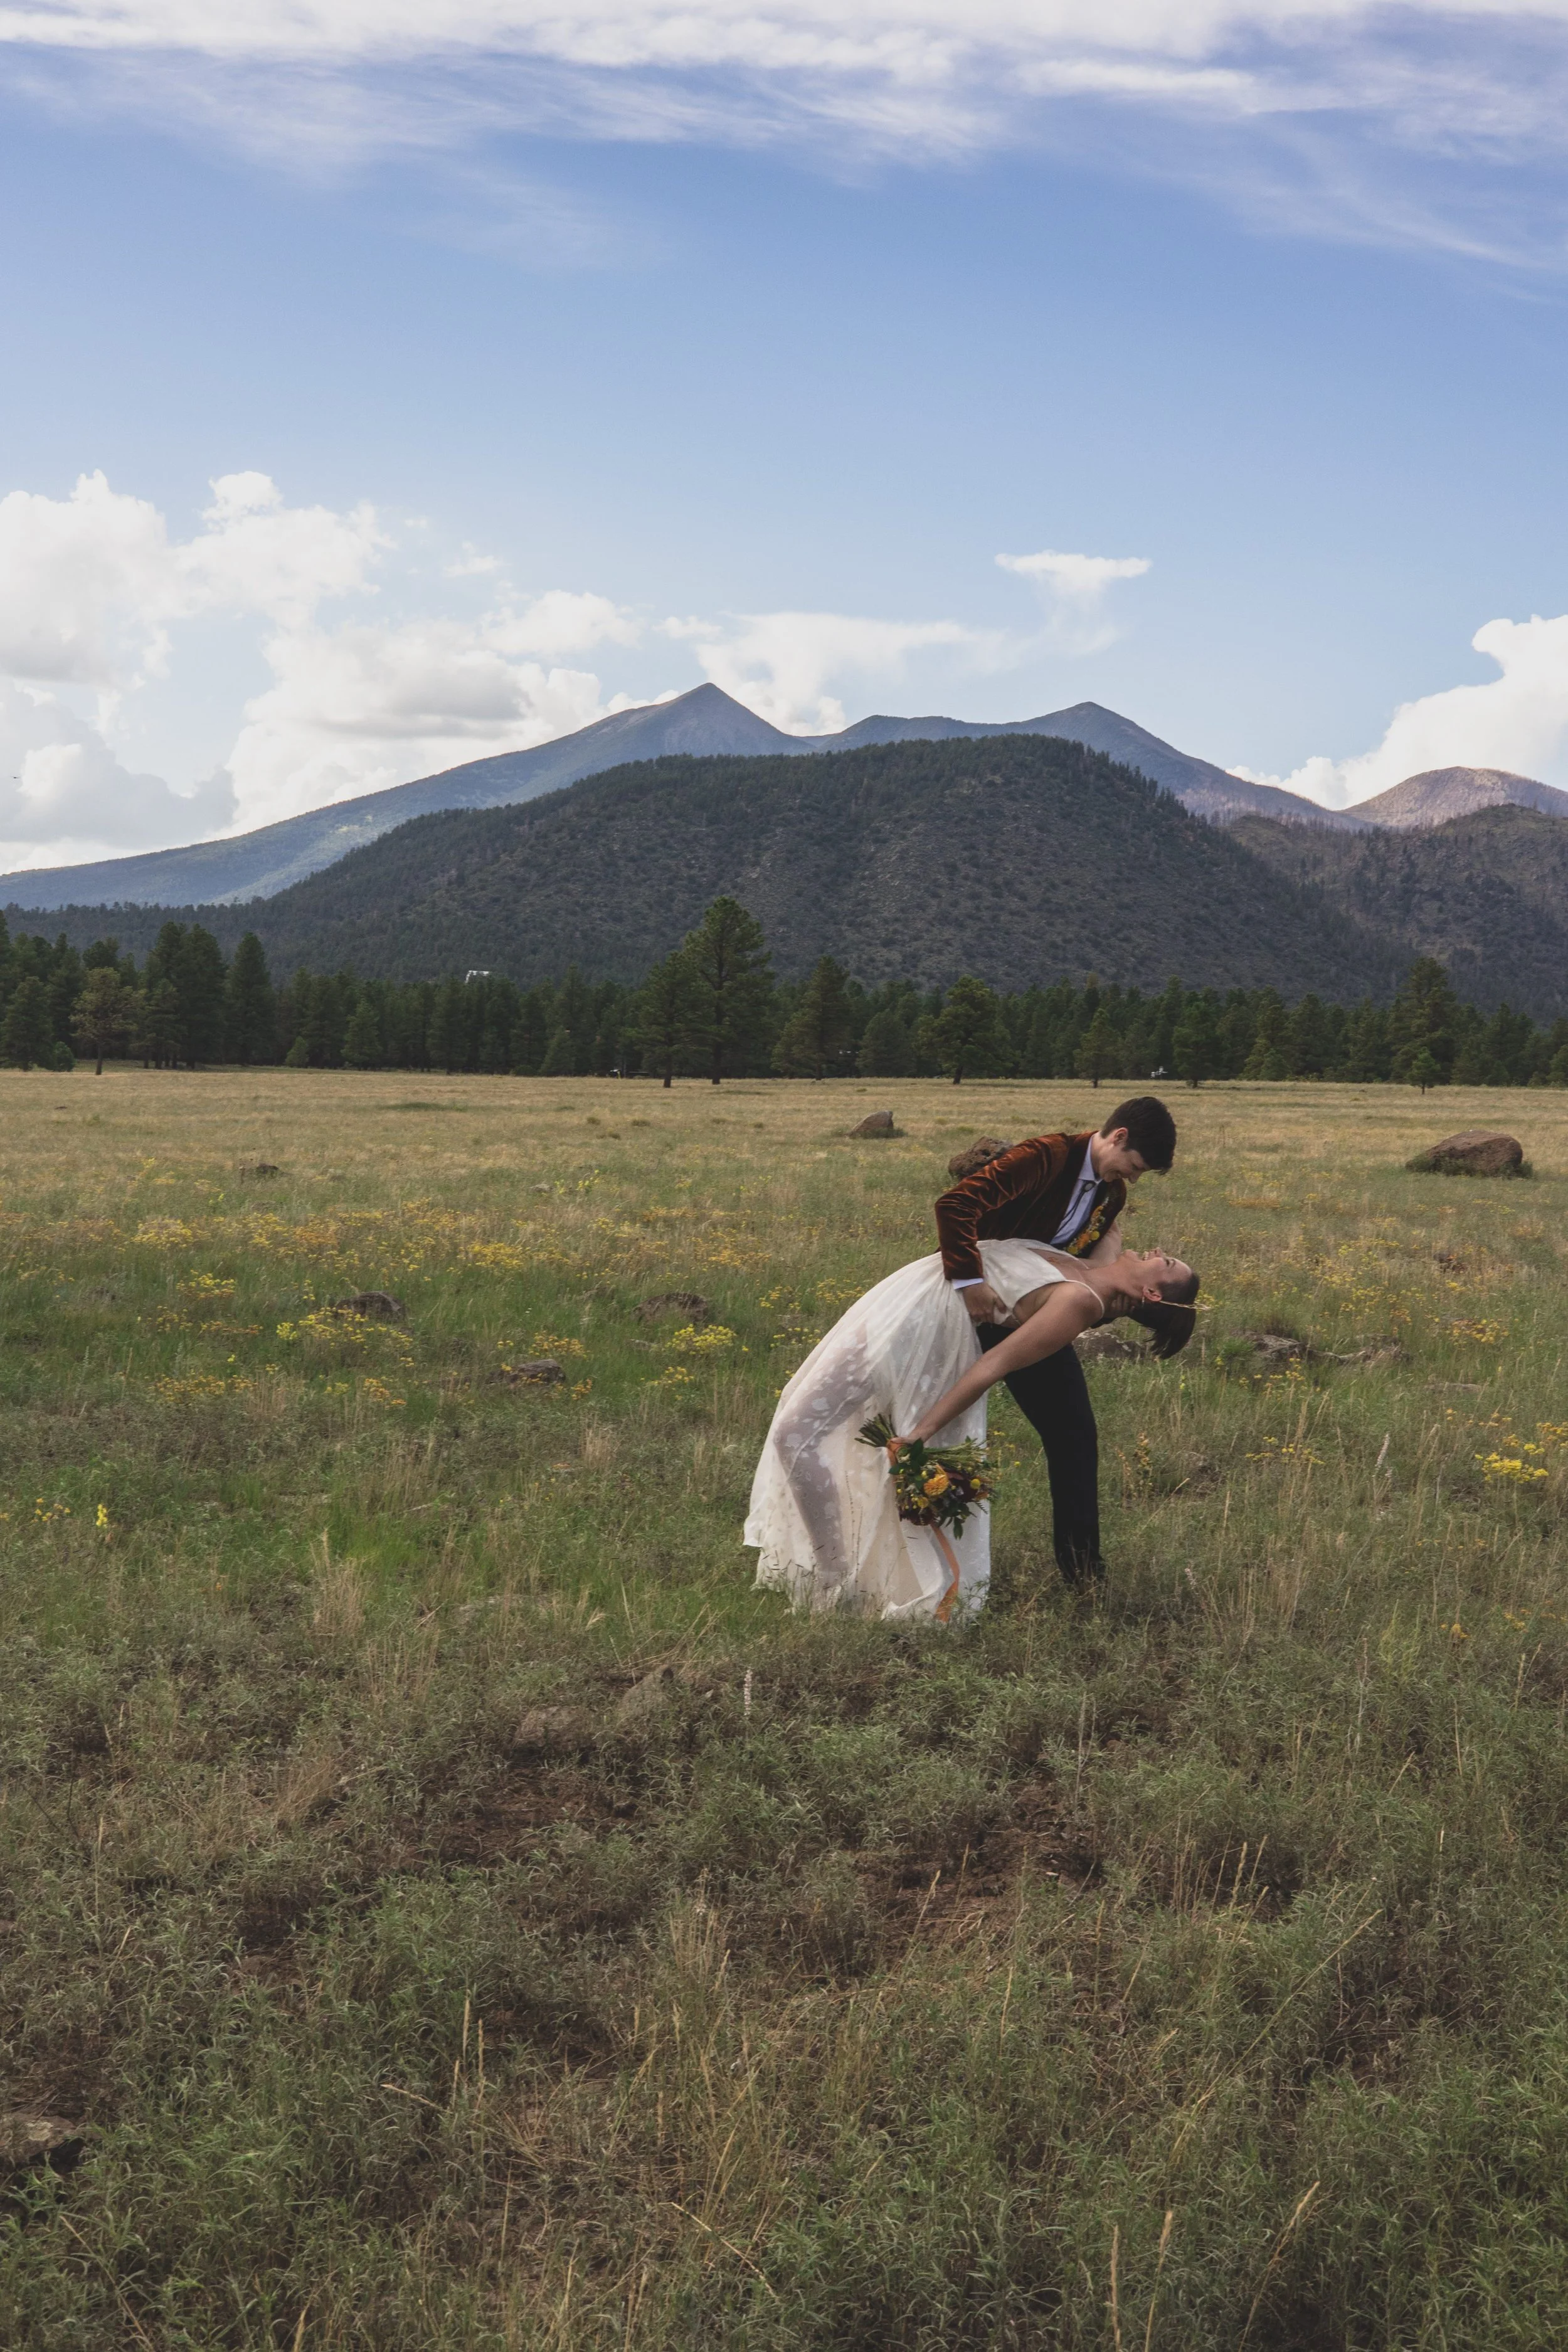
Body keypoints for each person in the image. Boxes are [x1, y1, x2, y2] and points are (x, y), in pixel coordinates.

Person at [744, 1232, 1197, 1619]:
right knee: (799, 1432)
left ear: (1152, 1294)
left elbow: (992, 1366)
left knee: (795, 1434)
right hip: (901, 1305)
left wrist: (922, 1432)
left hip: (915, 1333)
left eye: (1166, 1263)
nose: (1158, 1252)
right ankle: (837, 1576)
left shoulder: (1079, 1302)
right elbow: (1107, 1201)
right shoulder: (1095, 1265)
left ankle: (834, 1580)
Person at [934, 1097, 1177, 1589]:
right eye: (1135, 1166)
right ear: (1119, 1137)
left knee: (1075, 1434)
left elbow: (1086, 1269)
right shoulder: (1045, 1156)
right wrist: (969, 1281)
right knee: (928, 1428)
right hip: (966, 1306)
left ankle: (1083, 1573)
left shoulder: (1110, 1196)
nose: (1133, 1179)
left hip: (1032, 1317)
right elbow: (955, 1205)